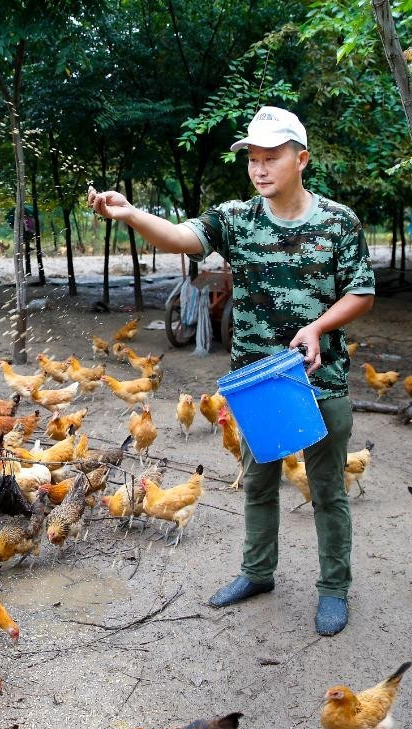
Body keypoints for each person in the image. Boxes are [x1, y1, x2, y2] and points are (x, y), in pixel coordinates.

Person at [88, 106, 375, 637]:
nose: (260, 169)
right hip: (260, 380)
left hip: (321, 377)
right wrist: (129, 214)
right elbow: (177, 237)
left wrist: (316, 327)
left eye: (272, 158)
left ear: (301, 158)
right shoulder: (236, 218)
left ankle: (334, 588)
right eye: (253, 159)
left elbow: (361, 291)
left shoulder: (338, 221)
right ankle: (256, 572)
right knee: (259, 482)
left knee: (328, 488)